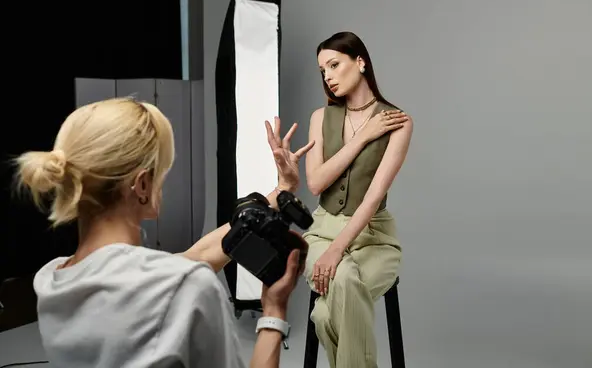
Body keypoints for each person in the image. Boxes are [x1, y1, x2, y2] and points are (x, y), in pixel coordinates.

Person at [13, 97, 314, 368]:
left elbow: (191, 260)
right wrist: (274, 311)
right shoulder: (187, 288)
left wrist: (280, 191)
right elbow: (180, 277)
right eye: (162, 173)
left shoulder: (53, 282)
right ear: (142, 185)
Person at [303, 31, 414, 368]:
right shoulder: (321, 118)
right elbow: (316, 182)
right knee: (346, 283)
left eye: (335, 65)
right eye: (323, 71)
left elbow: (373, 196)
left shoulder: (398, 122)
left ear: (360, 61)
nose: (329, 76)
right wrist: (364, 136)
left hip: (374, 237)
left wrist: (338, 251)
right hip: (321, 233)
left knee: (325, 314)